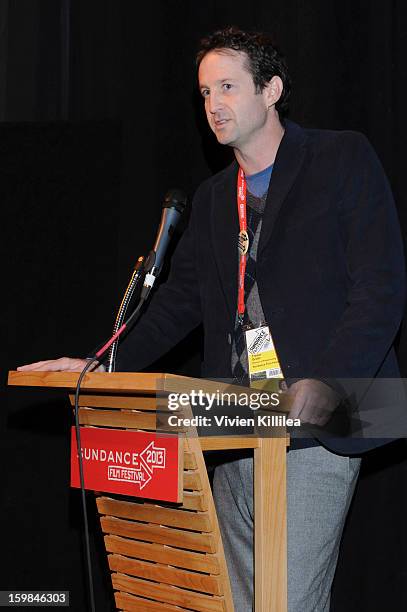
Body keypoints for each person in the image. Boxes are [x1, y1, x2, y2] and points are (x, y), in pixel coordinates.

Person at [19, 26, 405, 611]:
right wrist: (101, 364)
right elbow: (178, 307)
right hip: (233, 423)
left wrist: (326, 382)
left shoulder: (340, 157)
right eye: (203, 93)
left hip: (324, 421)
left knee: (288, 603)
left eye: (227, 86)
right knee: (236, 601)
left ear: (271, 90)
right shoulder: (212, 198)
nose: (212, 105)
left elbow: (380, 289)